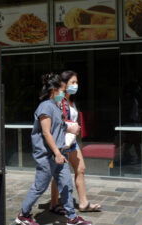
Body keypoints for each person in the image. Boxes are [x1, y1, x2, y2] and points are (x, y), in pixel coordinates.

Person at [15, 73, 92, 225]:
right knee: (40, 186)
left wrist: (70, 128)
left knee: (66, 185)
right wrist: (57, 153)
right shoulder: (45, 107)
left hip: (59, 153)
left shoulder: (56, 107)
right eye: (62, 90)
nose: (63, 94)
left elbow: (59, 125)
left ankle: (71, 217)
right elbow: (46, 132)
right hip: (47, 155)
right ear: (54, 90)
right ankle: (23, 215)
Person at [49, 71, 101, 215]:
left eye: (77, 82)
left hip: (72, 141)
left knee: (81, 169)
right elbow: (54, 122)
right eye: (73, 82)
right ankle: (54, 203)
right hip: (61, 142)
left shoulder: (71, 101)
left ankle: (83, 203)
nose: (76, 85)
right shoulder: (59, 100)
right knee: (58, 173)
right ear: (64, 84)